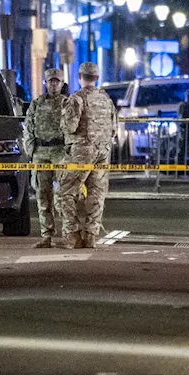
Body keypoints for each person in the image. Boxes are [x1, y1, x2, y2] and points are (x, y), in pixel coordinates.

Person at [55, 61, 118, 249]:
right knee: (97, 193)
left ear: (79, 77)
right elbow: (114, 128)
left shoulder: (77, 98)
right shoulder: (106, 100)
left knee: (65, 191)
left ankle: (72, 235)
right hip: (103, 151)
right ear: (97, 78)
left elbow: (69, 126)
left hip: (81, 151)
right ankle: (90, 235)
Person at [21, 68, 69, 248]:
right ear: (46, 83)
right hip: (41, 151)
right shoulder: (37, 103)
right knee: (42, 193)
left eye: (57, 81)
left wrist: (70, 151)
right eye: (50, 81)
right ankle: (47, 234)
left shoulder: (67, 104)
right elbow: (29, 128)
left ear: (62, 83)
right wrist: (31, 152)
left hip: (60, 151)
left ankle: (68, 233)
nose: (54, 84)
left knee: (63, 193)